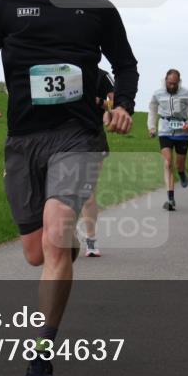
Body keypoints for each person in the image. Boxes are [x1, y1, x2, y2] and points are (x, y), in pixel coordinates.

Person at [0, 0, 138, 376]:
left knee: (60, 228)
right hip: (23, 141)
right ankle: (62, 256)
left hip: (78, 135)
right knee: (37, 253)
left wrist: (122, 105)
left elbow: (126, 65)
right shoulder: (6, 4)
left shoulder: (98, 8)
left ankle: (41, 355)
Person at [148, 69, 188, 211]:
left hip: (182, 131)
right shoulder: (158, 93)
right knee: (167, 162)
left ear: (179, 82)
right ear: (165, 80)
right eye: (169, 83)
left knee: (179, 165)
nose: (172, 86)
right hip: (164, 129)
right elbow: (152, 109)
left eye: (175, 84)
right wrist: (152, 127)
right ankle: (170, 199)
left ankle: (182, 173)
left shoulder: (186, 93)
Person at [80, 69, 115, 258]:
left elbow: (114, 103)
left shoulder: (101, 75)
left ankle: (91, 241)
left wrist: (101, 103)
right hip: (60, 137)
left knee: (88, 193)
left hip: (92, 138)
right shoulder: (60, 69)